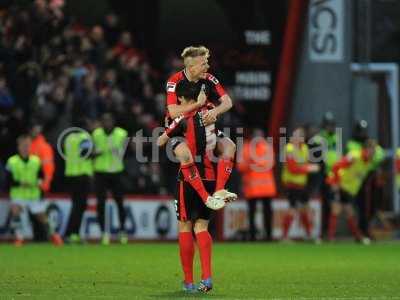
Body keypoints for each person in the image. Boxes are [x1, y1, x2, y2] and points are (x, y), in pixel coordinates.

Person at [158, 80, 229, 293]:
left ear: (180, 98)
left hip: (189, 178)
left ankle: (188, 282)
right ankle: (207, 278)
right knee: (202, 227)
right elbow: (222, 142)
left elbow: (161, 140)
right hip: (209, 175)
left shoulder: (181, 116)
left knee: (185, 227)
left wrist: (169, 136)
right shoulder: (209, 110)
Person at [164, 45, 236, 202]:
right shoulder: (174, 81)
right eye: (203, 63)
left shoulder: (209, 79)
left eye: (207, 62)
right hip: (179, 128)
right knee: (185, 155)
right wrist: (197, 106)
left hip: (203, 125)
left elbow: (227, 102)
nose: (208, 66)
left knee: (229, 146)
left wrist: (214, 112)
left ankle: (219, 191)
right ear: (191, 67)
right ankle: (204, 198)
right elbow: (173, 113)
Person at [5, 135, 63, 246]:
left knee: (42, 217)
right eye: (23, 145)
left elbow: (41, 177)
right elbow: (7, 181)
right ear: (18, 147)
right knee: (16, 211)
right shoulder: (12, 161)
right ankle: (19, 238)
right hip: (18, 195)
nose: (26, 147)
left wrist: (39, 183)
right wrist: (19, 183)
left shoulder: (36, 160)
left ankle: (54, 235)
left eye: (28, 145)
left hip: (33, 195)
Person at [326, 139, 380, 244]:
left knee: (350, 212)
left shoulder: (369, 163)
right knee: (336, 210)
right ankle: (331, 238)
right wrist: (335, 183)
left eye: (374, 151)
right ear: (366, 149)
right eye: (371, 149)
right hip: (339, 185)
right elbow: (337, 166)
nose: (373, 152)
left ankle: (357, 237)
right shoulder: (354, 156)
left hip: (348, 190)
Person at [92, 113, 128, 245]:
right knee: (101, 203)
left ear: (113, 121)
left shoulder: (121, 133)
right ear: (102, 122)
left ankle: (122, 231)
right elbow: (91, 152)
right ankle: (104, 233)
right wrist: (96, 153)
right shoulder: (96, 134)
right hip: (100, 172)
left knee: (119, 202)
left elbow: (125, 152)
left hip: (116, 172)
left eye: (109, 120)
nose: (107, 123)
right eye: (104, 121)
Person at [346, 120, 385, 237]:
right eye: (360, 131)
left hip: (368, 176)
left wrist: (370, 154)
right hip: (356, 178)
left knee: (371, 205)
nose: (362, 134)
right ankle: (361, 230)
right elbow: (357, 156)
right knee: (357, 205)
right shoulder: (352, 143)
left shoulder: (370, 143)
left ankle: (365, 229)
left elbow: (379, 155)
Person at [237, 128, 277, 241]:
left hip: (265, 186)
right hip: (253, 186)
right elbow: (240, 166)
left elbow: (270, 163)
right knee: (252, 212)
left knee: (267, 211)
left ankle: (268, 236)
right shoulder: (246, 147)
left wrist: (252, 162)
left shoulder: (266, 147)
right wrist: (254, 163)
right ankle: (253, 236)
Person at [281, 127, 320, 241]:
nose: (295, 138)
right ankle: (284, 237)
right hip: (291, 184)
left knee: (304, 209)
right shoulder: (289, 149)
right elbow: (292, 168)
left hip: (302, 184)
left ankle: (308, 235)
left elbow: (304, 164)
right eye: (294, 135)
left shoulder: (305, 148)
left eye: (299, 135)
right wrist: (309, 168)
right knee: (292, 210)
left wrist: (308, 168)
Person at [64, 120, 93, 243]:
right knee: (80, 206)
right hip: (82, 175)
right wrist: (97, 153)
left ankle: (70, 233)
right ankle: (72, 234)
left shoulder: (69, 138)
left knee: (76, 205)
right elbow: (85, 153)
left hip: (71, 174)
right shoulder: (85, 137)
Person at [29, 120, 55, 193]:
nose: (36, 132)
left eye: (38, 130)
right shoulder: (25, 143)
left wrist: (46, 182)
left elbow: (48, 166)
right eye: (34, 130)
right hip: (23, 183)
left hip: (38, 182)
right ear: (30, 130)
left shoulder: (44, 146)